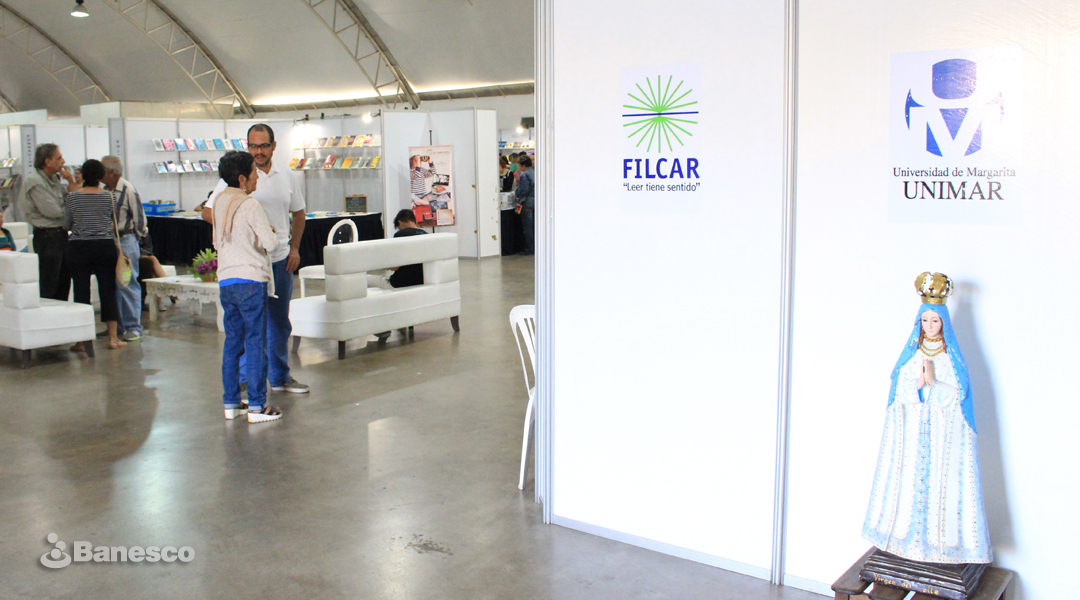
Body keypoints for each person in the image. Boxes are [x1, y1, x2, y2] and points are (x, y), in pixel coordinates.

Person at [862, 273, 992, 564]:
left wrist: (933, 383)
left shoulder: (950, 358)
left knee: (941, 491)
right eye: (925, 320)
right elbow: (898, 390)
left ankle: (941, 549)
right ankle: (902, 542)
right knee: (908, 485)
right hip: (912, 434)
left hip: (942, 437)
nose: (930, 326)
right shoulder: (912, 355)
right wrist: (917, 386)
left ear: (943, 323)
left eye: (935, 321)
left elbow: (960, 397)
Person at [204, 125, 309, 394]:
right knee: (248, 327)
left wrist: (295, 248)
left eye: (263, 146)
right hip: (249, 264)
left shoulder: (286, 175)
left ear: (273, 146)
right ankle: (246, 381)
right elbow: (209, 211)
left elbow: (299, 213)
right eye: (253, 146)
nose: (258, 151)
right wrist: (243, 232)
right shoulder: (235, 175)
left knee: (279, 322)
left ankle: (280, 376)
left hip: (280, 260)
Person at [214, 151, 282, 423]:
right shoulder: (250, 204)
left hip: (226, 280)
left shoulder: (219, 201)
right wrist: (272, 232)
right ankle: (257, 405)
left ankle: (231, 403)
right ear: (242, 178)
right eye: (254, 173)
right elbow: (271, 244)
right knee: (255, 343)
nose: (257, 178)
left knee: (232, 343)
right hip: (251, 280)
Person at [65, 159, 125, 350]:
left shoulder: (72, 197)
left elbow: (68, 224)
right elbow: (112, 221)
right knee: (108, 290)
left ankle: (82, 341)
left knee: (81, 292)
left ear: (83, 174)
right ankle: (113, 338)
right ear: (101, 176)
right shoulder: (109, 197)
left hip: (79, 246)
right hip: (104, 246)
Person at [19, 143, 81, 300]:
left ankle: (61, 311)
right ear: (47, 161)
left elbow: (72, 200)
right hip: (47, 237)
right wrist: (70, 209)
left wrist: (71, 181)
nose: (63, 161)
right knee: (49, 283)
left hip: (61, 234)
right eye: (59, 158)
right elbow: (53, 211)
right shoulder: (35, 181)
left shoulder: (54, 179)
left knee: (64, 282)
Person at [102, 155, 147, 342]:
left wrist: (136, 238)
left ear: (111, 172)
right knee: (113, 285)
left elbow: (139, 217)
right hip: (108, 241)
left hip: (126, 240)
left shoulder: (128, 189)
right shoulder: (104, 191)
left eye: (103, 170)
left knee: (127, 283)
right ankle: (117, 325)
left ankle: (133, 326)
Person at [366, 209, 428, 291]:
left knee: (366, 279)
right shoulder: (426, 235)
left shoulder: (400, 235)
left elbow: (394, 267)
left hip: (400, 284)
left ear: (400, 223)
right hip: (420, 283)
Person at [514, 155, 535, 255]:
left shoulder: (524, 175)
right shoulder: (535, 173)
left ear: (523, 165)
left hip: (526, 202)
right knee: (534, 226)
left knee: (527, 227)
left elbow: (523, 189)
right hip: (535, 201)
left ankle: (529, 248)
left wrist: (516, 191)